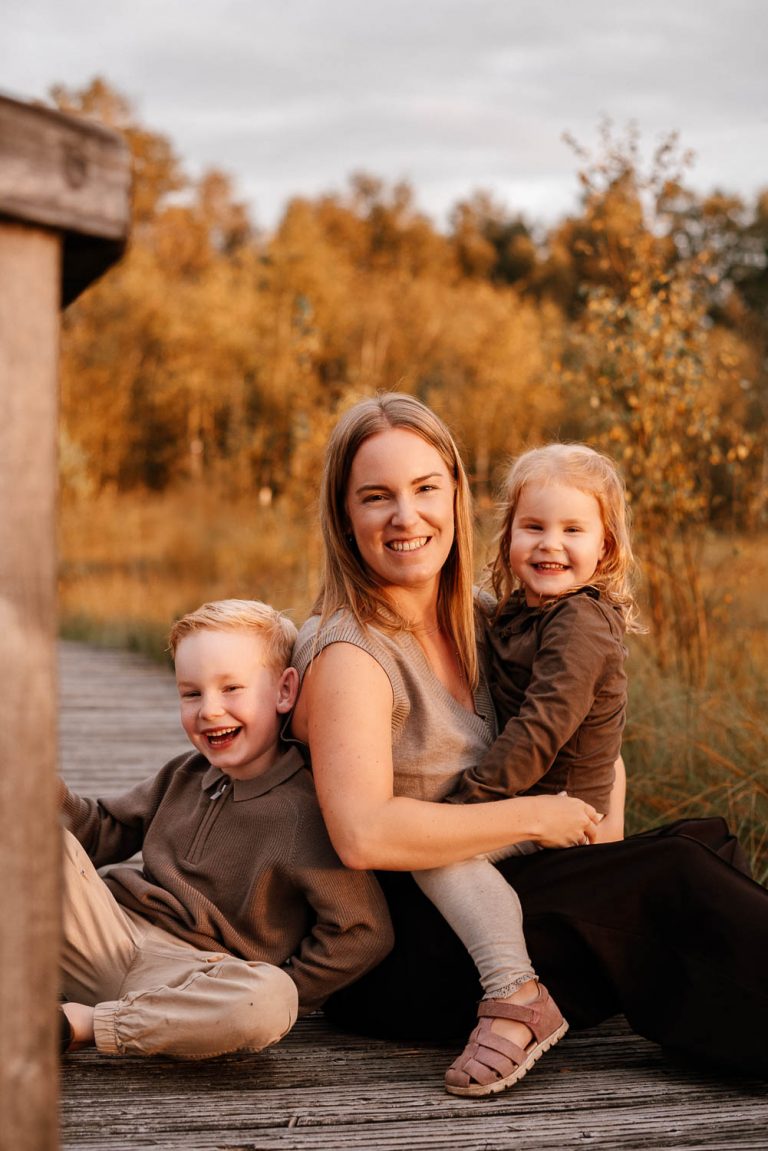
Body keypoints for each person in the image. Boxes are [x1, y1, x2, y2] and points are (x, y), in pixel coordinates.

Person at [290, 391, 768, 1084]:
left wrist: (593, 862)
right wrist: (539, 818)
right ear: (345, 514)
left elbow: (586, 737)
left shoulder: (489, 618)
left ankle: (727, 1039)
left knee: (699, 847)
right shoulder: (351, 655)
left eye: (426, 487)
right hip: (414, 947)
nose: (406, 515)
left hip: (504, 889)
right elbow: (363, 835)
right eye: (375, 496)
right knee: (677, 879)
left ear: (457, 494)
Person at [59, 598, 392, 1059]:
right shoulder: (185, 773)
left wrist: (294, 988)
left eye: (231, 688)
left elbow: (362, 929)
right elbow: (99, 829)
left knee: (269, 1000)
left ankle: (81, 1024)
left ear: (284, 691)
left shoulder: (306, 812)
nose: (210, 711)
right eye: (191, 694)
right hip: (109, 931)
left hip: (191, 979)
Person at [411, 442, 642, 1095]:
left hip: (560, 816)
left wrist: (466, 806)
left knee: (432, 848)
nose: (550, 544)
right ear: (508, 533)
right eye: (534, 526)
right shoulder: (521, 611)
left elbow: (540, 729)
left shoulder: (579, 623)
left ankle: (516, 994)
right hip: (532, 801)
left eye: (573, 530)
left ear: (605, 547)